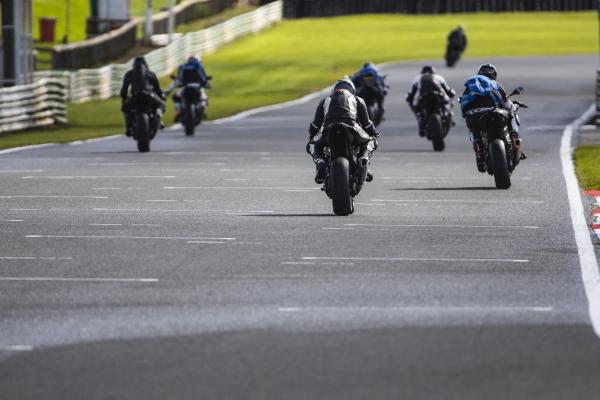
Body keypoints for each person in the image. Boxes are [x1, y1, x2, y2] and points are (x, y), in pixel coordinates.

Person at [308, 78, 380, 184]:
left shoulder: (324, 100)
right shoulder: (357, 99)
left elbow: (315, 125)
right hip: (352, 127)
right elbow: (367, 124)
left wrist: (312, 136)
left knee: (312, 144)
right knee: (371, 141)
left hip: (328, 128)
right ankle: (363, 157)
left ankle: (321, 162)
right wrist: (374, 133)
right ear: (352, 90)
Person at [460, 63, 523, 172]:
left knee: (473, 129)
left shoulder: (470, 86)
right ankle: (514, 136)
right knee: (512, 113)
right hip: (495, 113)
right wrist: (515, 106)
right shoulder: (495, 84)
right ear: (494, 74)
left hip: (474, 116)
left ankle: (479, 153)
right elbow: (507, 104)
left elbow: (463, 108)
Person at [406, 65, 456, 136]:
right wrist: (452, 93)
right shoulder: (438, 77)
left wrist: (409, 100)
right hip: (438, 96)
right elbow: (448, 90)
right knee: (448, 102)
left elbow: (412, 93)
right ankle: (448, 116)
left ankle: (422, 125)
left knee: (416, 108)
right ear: (433, 72)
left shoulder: (417, 78)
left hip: (423, 98)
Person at [120, 56, 164, 136]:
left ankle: (129, 126)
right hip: (149, 95)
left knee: (125, 108)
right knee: (161, 104)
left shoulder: (129, 74)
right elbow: (157, 88)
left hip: (135, 95)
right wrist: (161, 96)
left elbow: (124, 89)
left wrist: (124, 98)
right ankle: (159, 120)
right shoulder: (150, 73)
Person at [164, 55, 210, 122]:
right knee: (204, 97)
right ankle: (201, 111)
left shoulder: (183, 67)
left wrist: (167, 91)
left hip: (185, 88)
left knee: (176, 96)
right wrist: (207, 84)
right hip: (197, 87)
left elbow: (179, 79)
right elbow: (204, 79)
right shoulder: (199, 66)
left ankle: (178, 112)